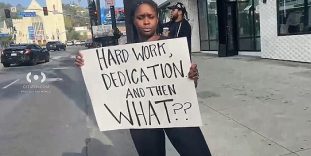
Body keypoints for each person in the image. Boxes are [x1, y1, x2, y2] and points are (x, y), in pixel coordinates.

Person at [75, 1, 211, 156]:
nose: (146, 22)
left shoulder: (172, 46)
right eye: (141, 17)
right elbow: (108, 86)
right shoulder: (123, 55)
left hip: (176, 113)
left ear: (157, 19)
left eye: (150, 17)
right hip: (143, 119)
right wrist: (87, 65)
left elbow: (190, 86)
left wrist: (193, 77)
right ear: (133, 20)